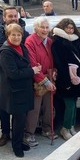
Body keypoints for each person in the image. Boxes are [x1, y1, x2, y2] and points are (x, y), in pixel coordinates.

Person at [0, 6, 29, 147]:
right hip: (4, 81)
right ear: (4, 18)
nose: (13, 18)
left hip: (21, 82)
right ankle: (5, 133)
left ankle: (18, 135)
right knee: (5, 108)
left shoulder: (25, 33)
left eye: (15, 15)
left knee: (19, 112)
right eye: (9, 16)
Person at [0, 23, 41, 157]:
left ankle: (19, 141)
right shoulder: (6, 52)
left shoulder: (21, 47)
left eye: (19, 35)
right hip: (14, 92)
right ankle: (16, 146)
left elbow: (26, 63)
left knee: (21, 119)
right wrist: (32, 71)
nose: (16, 37)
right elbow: (13, 74)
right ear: (8, 36)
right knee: (18, 119)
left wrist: (34, 68)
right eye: (13, 35)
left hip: (24, 90)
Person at [51, 18, 80, 140]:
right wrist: (66, 80)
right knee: (69, 104)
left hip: (76, 77)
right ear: (62, 28)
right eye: (68, 28)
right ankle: (65, 128)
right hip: (65, 78)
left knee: (74, 103)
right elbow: (59, 63)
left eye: (72, 28)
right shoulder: (57, 42)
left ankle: (71, 126)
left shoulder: (76, 41)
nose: (70, 30)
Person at [24, 18, 57, 147]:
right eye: (42, 27)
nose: (44, 30)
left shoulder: (49, 41)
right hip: (36, 80)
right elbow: (32, 63)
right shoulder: (30, 41)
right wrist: (45, 81)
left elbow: (53, 59)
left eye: (46, 27)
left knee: (49, 107)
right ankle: (28, 134)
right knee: (34, 109)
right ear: (36, 29)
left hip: (49, 76)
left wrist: (54, 71)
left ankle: (47, 129)